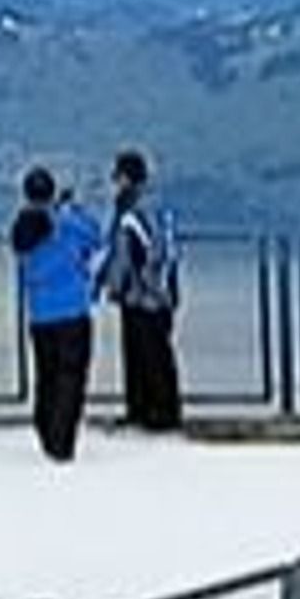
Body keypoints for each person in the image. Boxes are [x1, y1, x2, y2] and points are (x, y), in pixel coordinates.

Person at [9, 165, 101, 461]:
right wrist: (71, 207)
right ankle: (62, 443)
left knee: (47, 377)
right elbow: (96, 235)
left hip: (40, 316)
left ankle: (47, 432)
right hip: (73, 312)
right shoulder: (68, 223)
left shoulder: (22, 230)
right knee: (71, 379)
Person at [98, 147, 183, 430]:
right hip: (157, 295)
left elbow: (126, 254)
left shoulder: (132, 212)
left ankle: (153, 412)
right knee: (153, 355)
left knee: (146, 356)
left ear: (127, 179)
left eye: (119, 177)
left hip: (142, 296)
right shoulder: (158, 208)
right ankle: (154, 410)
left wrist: (115, 286)